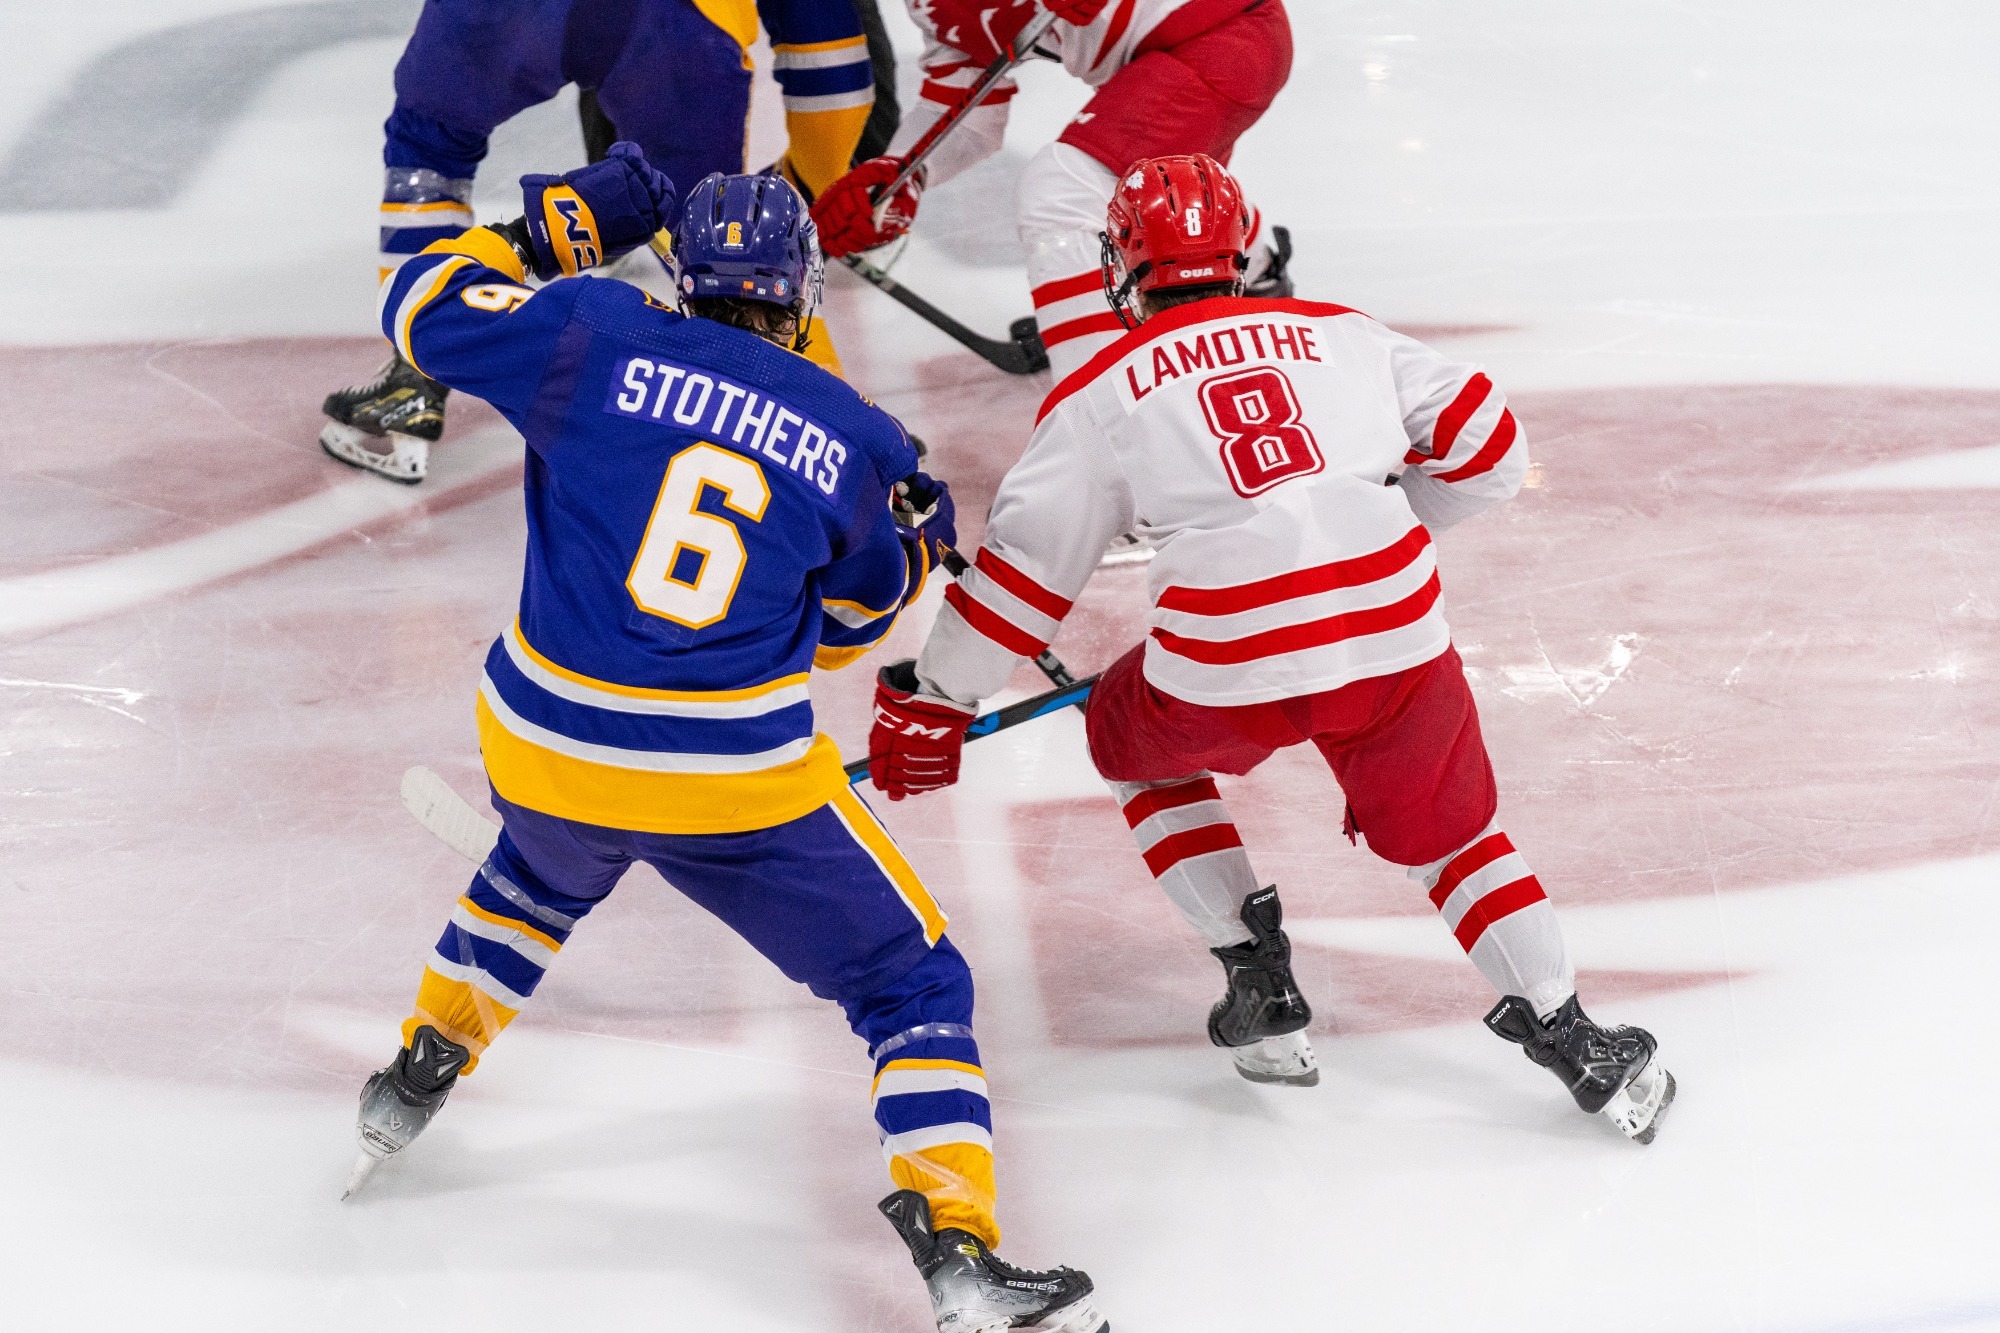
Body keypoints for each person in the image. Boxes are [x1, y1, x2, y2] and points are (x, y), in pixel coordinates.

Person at [344, 149, 1109, 1333]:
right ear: (800, 287)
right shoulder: (847, 432)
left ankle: (415, 1071)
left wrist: (550, 235)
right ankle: (955, 1244)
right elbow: (849, 635)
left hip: (539, 742)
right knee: (910, 984)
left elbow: (420, 307)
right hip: (731, 784)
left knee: (540, 867)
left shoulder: (591, 327)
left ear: (681, 273)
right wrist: (907, 543)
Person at [865, 154, 1676, 1141]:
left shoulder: (1100, 391)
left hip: (1223, 668)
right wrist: (1385, 524)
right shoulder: (1344, 334)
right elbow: (1489, 446)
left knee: (1132, 749)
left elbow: (1022, 581)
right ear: (1243, 248)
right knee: (1457, 839)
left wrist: (938, 696)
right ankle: (1571, 1036)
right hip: (1391, 647)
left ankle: (1255, 975)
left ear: (1122, 266)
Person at [321, 0, 878, 484]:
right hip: (678, 20)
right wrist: (816, 185)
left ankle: (412, 379)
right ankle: (827, 426)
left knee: (429, 146)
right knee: (721, 244)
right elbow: (826, 48)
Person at [811, 0, 1297, 381]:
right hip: (1164, 61)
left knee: (1065, 187)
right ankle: (1256, 270)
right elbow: (968, 115)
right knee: (1157, 197)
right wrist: (900, 174)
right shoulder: (934, 7)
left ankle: (1099, 406)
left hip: (1226, 32)